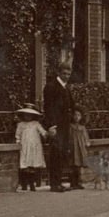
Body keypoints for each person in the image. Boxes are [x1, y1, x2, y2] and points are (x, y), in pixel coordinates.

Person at [43, 61, 75, 192]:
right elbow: (48, 108)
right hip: (56, 126)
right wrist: (51, 126)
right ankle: (54, 184)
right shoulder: (51, 87)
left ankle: (59, 182)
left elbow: (71, 106)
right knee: (55, 154)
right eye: (64, 73)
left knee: (61, 153)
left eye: (68, 74)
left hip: (65, 126)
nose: (66, 76)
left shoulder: (67, 87)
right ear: (58, 73)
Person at [14, 104, 46, 192]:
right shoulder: (20, 125)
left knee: (32, 164)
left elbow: (43, 132)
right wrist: (18, 142)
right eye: (26, 115)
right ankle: (24, 184)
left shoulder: (36, 124)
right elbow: (18, 135)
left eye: (30, 115)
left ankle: (32, 184)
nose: (27, 117)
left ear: (33, 116)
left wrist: (46, 134)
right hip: (24, 145)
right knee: (25, 165)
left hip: (34, 146)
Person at [69, 107, 91, 190]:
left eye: (78, 115)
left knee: (79, 166)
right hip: (73, 147)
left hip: (80, 147)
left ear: (81, 117)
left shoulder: (82, 127)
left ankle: (78, 182)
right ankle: (72, 183)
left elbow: (85, 136)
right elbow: (69, 137)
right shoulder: (70, 126)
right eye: (75, 115)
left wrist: (87, 142)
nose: (76, 117)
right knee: (73, 165)